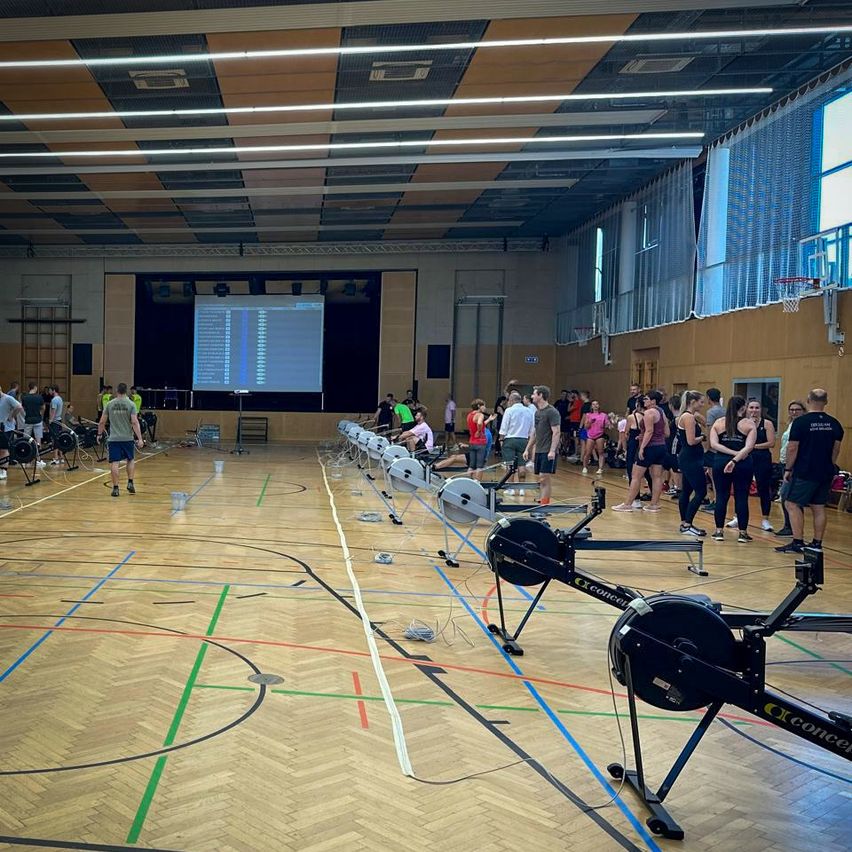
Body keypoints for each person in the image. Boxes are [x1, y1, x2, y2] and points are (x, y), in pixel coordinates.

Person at [776, 388, 844, 554]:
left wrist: (788, 468)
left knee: (791, 503)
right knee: (818, 506)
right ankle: (816, 543)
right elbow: (836, 450)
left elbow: (793, 448)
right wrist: (830, 465)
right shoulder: (834, 423)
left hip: (805, 471)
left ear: (808, 400)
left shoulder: (801, 422)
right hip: (825, 471)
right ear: (826, 401)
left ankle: (797, 541)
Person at [709, 395, 756, 542]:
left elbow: (714, 445)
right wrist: (736, 457)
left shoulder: (719, 423)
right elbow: (749, 447)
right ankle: (742, 533)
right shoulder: (748, 424)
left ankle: (718, 531)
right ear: (743, 408)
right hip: (742, 463)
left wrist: (730, 455)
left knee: (721, 497)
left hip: (721, 462)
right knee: (741, 497)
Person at [612, 390, 669, 512]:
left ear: (653, 401)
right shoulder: (661, 412)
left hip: (650, 447)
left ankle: (628, 504)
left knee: (636, 476)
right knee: (657, 476)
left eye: (647, 399)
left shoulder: (649, 413)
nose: (644, 400)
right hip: (661, 446)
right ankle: (654, 504)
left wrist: (642, 447)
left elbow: (649, 431)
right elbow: (667, 432)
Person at [727, 399, 775, 531]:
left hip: (762, 458)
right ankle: (737, 516)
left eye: (757, 408)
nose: (754, 410)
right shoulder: (741, 423)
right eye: (751, 407)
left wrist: (752, 446)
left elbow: (771, 443)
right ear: (746, 409)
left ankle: (765, 519)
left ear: (761, 409)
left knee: (763, 488)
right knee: (741, 488)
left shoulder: (767, 423)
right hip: (745, 458)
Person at [98, 382, 144, 497]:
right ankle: (130, 482)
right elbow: (134, 422)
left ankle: (115, 488)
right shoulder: (131, 404)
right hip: (127, 438)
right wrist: (140, 438)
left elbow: (102, 421)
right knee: (130, 459)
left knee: (115, 462)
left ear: (117, 391)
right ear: (126, 391)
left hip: (114, 439)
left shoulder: (109, 404)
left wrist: (99, 434)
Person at [676, 391, 708, 536]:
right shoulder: (688, 417)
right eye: (701, 402)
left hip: (689, 457)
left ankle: (684, 523)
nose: (702, 405)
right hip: (691, 458)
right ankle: (688, 523)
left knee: (687, 491)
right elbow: (691, 441)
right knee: (701, 491)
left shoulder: (688, 416)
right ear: (693, 401)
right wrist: (702, 437)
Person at [523, 385, 560, 506]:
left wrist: (552, 451)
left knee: (544, 477)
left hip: (547, 450)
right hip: (539, 449)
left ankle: (544, 505)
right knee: (540, 478)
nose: (532, 396)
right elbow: (534, 433)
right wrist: (527, 449)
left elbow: (556, 432)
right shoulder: (537, 413)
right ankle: (542, 500)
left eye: (534, 394)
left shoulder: (552, 412)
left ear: (540, 395)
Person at [774, 400, 806, 537]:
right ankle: (789, 526)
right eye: (791, 410)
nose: (794, 412)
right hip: (784, 462)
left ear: (803, 410)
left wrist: (790, 466)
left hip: (793, 465)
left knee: (789, 497)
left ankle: (792, 527)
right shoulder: (790, 425)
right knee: (785, 497)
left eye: (797, 410)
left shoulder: (803, 425)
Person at [499, 391, 535, 494]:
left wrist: (501, 439)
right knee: (522, 464)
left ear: (511, 400)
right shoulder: (529, 411)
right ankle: (522, 488)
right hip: (523, 439)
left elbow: (504, 427)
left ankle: (510, 488)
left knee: (509, 465)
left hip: (510, 439)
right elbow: (532, 428)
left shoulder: (509, 410)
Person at [701, 387, 725, 512]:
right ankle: (718, 500)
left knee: (713, 475)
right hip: (724, 445)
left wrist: (707, 446)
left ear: (708, 398)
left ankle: (716, 500)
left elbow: (709, 429)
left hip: (714, 447)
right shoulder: (725, 410)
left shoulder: (711, 412)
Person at [0, 387, 24, 481]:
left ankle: (3, 470)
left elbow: (19, 407)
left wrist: (11, 416)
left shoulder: (8, 398)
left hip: (6, 428)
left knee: (4, 449)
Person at [581, 400, 608, 475]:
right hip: (590, 435)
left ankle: (600, 468)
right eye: (593, 404)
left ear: (599, 406)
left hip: (600, 435)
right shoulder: (588, 415)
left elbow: (607, 426)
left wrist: (608, 424)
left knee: (601, 452)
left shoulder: (603, 415)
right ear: (591, 406)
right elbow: (586, 427)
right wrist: (590, 422)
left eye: (597, 404)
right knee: (588, 452)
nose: (595, 406)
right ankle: (585, 467)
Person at [466, 399, 489, 481]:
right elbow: (479, 423)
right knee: (480, 466)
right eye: (484, 405)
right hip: (480, 442)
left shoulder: (469, 415)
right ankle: (477, 484)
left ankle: (468, 482)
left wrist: (489, 420)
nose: (485, 408)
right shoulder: (480, 415)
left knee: (471, 465)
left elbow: (479, 424)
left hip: (472, 442)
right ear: (479, 406)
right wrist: (479, 431)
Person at [21, 382, 44, 447]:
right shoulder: (39, 397)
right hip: (38, 420)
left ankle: (26, 453)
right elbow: (43, 407)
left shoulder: (25, 398)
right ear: (35, 387)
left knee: (26, 439)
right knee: (38, 439)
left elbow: (23, 408)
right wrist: (41, 414)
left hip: (28, 420)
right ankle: (38, 454)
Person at [47, 385, 65, 465]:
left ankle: (56, 458)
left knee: (55, 439)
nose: (49, 392)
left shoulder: (54, 400)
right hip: (59, 420)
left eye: (50, 390)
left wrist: (50, 420)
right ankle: (61, 456)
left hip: (55, 421)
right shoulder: (60, 398)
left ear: (54, 390)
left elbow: (53, 411)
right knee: (59, 438)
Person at [554, 390, 571, 457]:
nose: (563, 395)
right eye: (562, 394)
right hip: (559, 420)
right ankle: (558, 449)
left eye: (565, 394)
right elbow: (554, 409)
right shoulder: (558, 402)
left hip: (566, 421)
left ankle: (565, 449)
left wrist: (569, 416)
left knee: (566, 436)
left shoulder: (568, 402)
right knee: (558, 434)